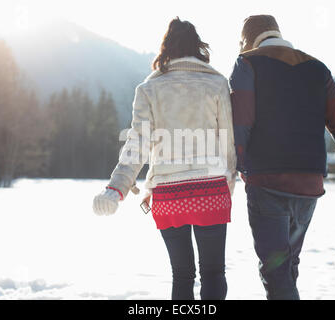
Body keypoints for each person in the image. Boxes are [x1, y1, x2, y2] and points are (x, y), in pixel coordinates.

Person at [229, 15, 335, 300]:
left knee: (275, 272)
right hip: (309, 185)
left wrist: (234, 168)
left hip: (267, 182)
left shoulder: (247, 62)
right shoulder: (318, 69)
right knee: (287, 268)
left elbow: (241, 122)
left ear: (248, 39)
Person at [92, 17, 236, 300]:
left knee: (182, 275)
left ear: (166, 48)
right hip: (211, 191)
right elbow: (228, 142)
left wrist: (116, 188)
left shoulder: (148, 89)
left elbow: (137, 144)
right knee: (214, 272)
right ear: (198, 48)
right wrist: (228, 183)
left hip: (169, 196)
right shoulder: (217, 83)